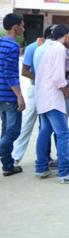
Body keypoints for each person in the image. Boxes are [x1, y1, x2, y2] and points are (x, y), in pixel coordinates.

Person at [33, 24, 69, 183]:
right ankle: (64, 173)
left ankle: (41, 168)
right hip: (53, 98)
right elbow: (58, 77)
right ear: (66, 35)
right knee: (63, 133)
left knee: (45, 131)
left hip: (43, 97)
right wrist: (65, 92)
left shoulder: (47, 47)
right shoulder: (59, 49)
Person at [12, 26, 53, 166]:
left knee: (46, 125)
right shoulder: (32, 47)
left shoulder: (56, 47)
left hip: (49, 90)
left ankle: (45, 158)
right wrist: (41, 78)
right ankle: (15, 157)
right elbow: (24, 71)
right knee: (28, 123)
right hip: (35, 88)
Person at [0, 13, 25, 176]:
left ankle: (8, 166)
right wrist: (19, 95)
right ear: (15, 27)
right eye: (22, 25)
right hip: (9, 95)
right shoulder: (13, 46)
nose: (23, 28)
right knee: (14, 131)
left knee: (5, 130)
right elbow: (10, 73)